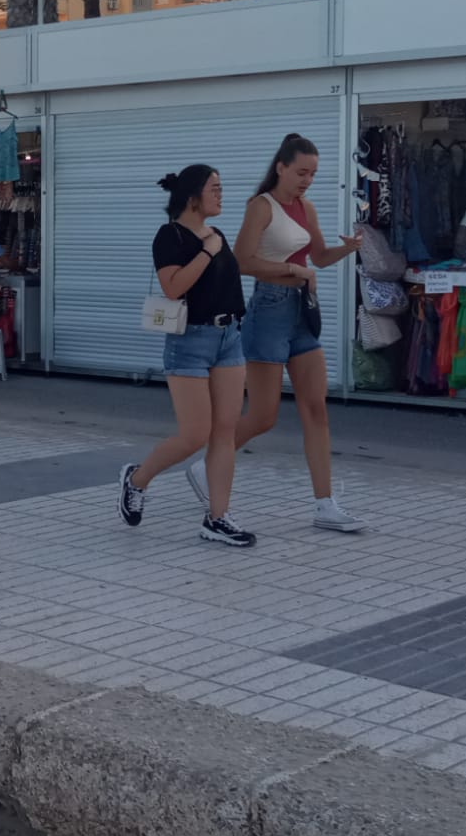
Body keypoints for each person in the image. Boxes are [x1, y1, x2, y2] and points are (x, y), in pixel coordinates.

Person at [194, 133, 366, 533]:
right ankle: (207, 467)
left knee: (316, 408)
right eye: (301, 172)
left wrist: (350, 248)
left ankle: (325, 504)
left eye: (313, 173)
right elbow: (241, 261)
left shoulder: (306, 207)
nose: (307, 180)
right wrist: (292, 270)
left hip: (301, 312)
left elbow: (318, 257)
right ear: (281, 167)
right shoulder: (261, 207)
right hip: (268, 309)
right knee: (264, 415)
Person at [117, 166, 254, 547]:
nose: (221, 194)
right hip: (188, 341)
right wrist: (208, 253)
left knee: (225, 432)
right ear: (193, 196)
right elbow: (173, 287)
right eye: (215, 188)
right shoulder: (170, 236)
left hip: (229, 338)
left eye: (222, 188)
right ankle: (137, 479)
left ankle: (218, 517)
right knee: (195, 434)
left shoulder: (218, 235)